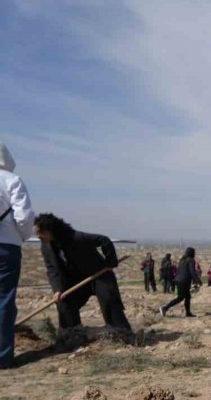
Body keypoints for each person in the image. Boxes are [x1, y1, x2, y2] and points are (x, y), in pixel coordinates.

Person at [34, 213, 131, 333]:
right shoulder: (46, 246)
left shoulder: (77, 237)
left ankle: (121, 333)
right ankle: (71, 334)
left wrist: (110, 263)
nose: (39, 236)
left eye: (41, 233)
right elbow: (52, 269)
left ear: (51, 230)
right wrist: (58, 289)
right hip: (76, 280)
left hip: (99, 274)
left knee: (108, 298)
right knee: (64, 301)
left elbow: (104, 240)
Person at [0, 144, 35, 369]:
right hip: (7, 247)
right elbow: (24, 216)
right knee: (4, 300)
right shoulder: (11, 180)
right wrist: (21, 236)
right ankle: (2, 357)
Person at [159, 247, 201, 317]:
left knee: (187, 297)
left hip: (178, 280)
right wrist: (198, 280)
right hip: (184, 281)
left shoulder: (182, 260)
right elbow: (192, 272)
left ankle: (188, 313)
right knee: (180, 298)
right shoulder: (191, 260)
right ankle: (165, 308)